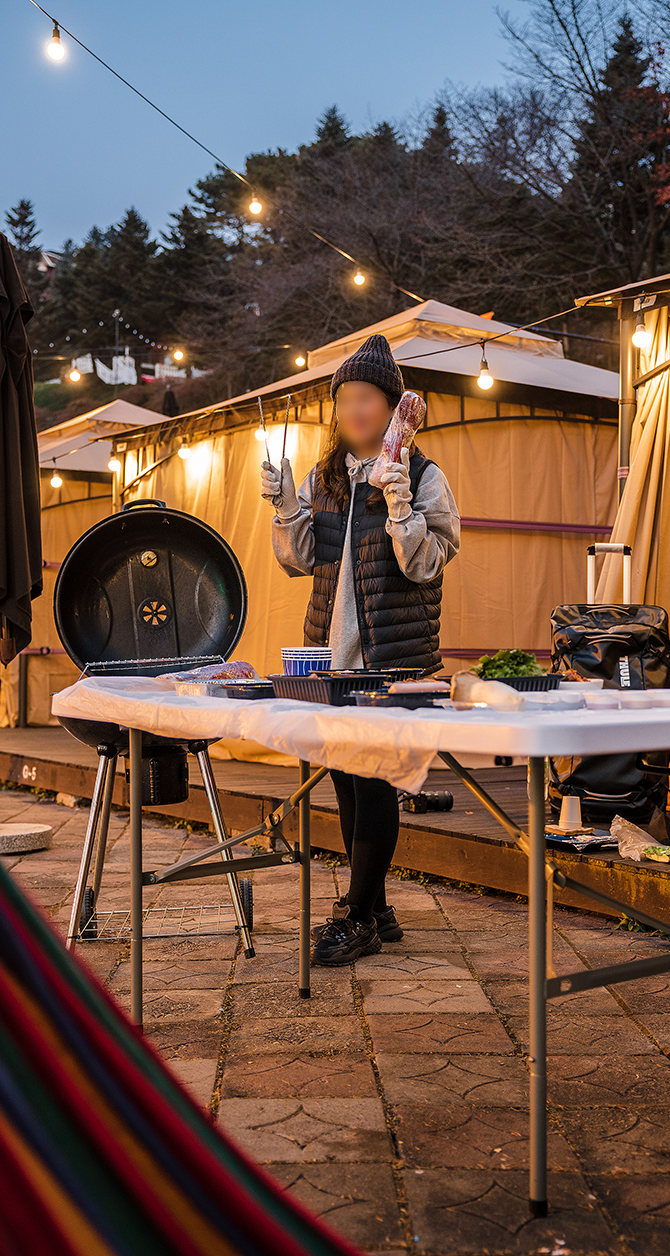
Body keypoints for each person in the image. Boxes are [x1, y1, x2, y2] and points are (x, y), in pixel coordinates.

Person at [261, 333, 460, 964]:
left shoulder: (425, 476)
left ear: (393, 406)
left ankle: (358, 913)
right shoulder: (328, 479)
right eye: (344, 399)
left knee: (373, 781)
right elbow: (303, 563)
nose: (353, 411)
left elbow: (427, 565)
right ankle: (375, 907)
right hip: (330, 657)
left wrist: (400, 500)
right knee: (347, 779)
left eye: (366, 398)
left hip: (393, 661)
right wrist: (287, 504)